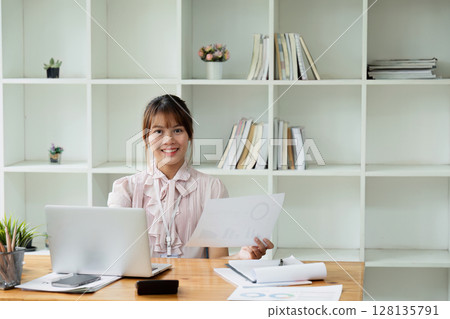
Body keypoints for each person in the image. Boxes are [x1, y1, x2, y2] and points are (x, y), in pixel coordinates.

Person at [108, 94, 274, 259]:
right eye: (158, 131)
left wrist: (242, 256)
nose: (169, 140)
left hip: (195, 283)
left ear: (189, 135)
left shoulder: (212, 188)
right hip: (139, 284)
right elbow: (115, 256)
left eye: (178, 130)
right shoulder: (125, 189)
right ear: (146, 139)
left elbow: (217, 262)